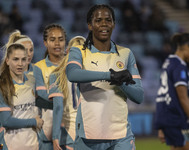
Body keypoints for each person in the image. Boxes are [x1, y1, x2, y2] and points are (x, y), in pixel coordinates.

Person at [66, 4, 144, 150]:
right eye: (98, 20)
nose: (104, 24)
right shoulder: (78, 51)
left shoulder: (126, 53)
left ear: (113, 24)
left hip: (121, 135)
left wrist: (120, 82)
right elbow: (72, 74)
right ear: (90, 25)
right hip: (88, 135)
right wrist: (110, 76)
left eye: (108, 20)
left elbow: (139, 96)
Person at [155, 33, 189, 150]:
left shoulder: (168, 63)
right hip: (178, 120)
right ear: (186, 47)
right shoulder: (179, 66)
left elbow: (163, 95)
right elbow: (183, 98)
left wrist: (162, 126)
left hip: (169, 119)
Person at [0, 43, 43, 150]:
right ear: (7, 61)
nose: (20, 64)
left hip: (34, 145)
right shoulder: (3, 86)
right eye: (15, 59)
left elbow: (41, 102)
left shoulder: (32, 80)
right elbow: (6, 122)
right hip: (10, 145)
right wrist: (34, 122)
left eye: (24, 59)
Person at [48, 36, 86, 150]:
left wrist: (55, 137)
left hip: (72, 133)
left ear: (68, 51)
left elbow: (58, 107)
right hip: (95, 132)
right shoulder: (93, 73)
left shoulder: (57, 75)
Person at [33, 23, 66, 150]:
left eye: (61, 39)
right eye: (52, 40)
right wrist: (61, 102)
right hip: (48, 126)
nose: (57, 43)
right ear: (45, 43)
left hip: (72, 126)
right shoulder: (39, 67)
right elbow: (40, 95)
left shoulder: (71, 65)